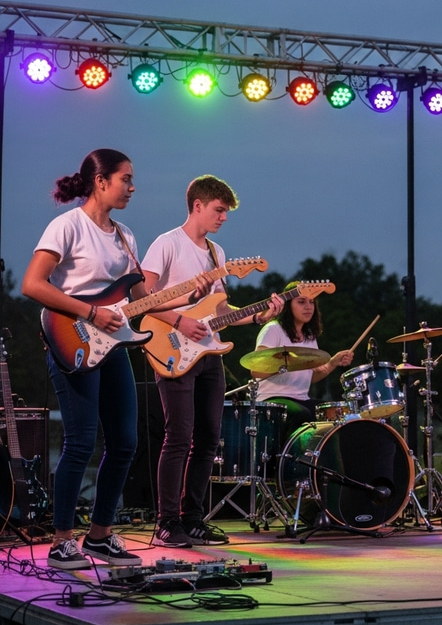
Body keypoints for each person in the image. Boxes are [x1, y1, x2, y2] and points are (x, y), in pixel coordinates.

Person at [21, 149, 150, 569]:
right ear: (100, 181)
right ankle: (61, 541)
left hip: (112, 345)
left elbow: (144, 299)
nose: (132, 187)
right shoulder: (68, 225)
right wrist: (91, 312)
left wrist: (192, 296)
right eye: (125, 179)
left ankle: (99, 536)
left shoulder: (126, 236)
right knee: (80, 442)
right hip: (72, 339)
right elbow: (32, 284)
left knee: (125, 442)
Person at [141, 175, 283, 549]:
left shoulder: (216, 253)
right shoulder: (166, 244)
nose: (224, 217)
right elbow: (143, 300)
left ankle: (193, 519)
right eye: (219, 210)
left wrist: (259, 315)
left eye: (226, 212)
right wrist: (179, 321)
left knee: (207, 439)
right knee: (178, 436)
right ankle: (167, 522)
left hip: (209, 352)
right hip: (173, 348)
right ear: (198, 205)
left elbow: (219, 311)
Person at [255, 281, 354, 440]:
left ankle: (323, 456)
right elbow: (256, 369)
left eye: (311, 302)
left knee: (332, 414)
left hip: (302, 398)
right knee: (303, 414)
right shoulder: (273, 329)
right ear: (288, 306)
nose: (308, 307)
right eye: (301, 302)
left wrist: (333, 363)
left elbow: (311, 376)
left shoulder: (310, 337)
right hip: (272, 398)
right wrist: (290, 362)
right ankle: (293, 456)